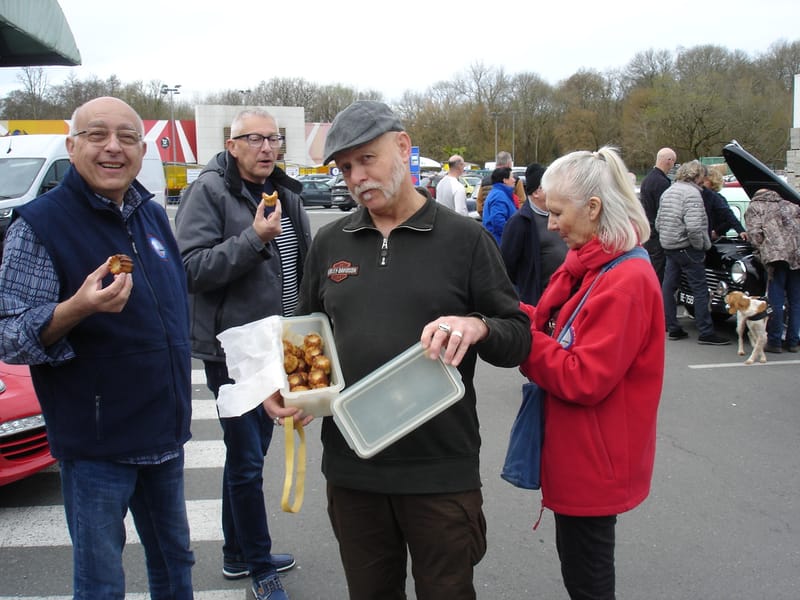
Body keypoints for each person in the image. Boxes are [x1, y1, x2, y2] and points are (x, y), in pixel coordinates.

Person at [263, 100, 531, 600]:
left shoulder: (465, 239)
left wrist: (476, 326)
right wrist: (290, 393)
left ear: (403, 147)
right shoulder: (329, 242)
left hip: (440, 471)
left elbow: (517, 336)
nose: (356, 177)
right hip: (352, 469)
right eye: (345, 168)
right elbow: (304, 337)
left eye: (367, 159)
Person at [0, 97, 194, 599]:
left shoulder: (151, 215)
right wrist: (77, 308)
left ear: (140, 148)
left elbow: (171, 311)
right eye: (97, 135)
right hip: (97, 444)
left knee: (176, 565)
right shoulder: (39, 225)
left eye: (127, 137)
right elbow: (9, 334)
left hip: (163, 431)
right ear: (72, 145)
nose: (113, 147)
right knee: (101, 579)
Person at [517, 146, 664, 600]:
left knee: (588, 579)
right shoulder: (594, 266)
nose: (551, 224)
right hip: (583, 452)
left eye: (557, 212)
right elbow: (557, 331)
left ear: (594, 208)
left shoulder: (626, 280)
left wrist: (518, 337)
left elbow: (583, 377)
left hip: (594, 460)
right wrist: (506, 315)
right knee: (581, 568)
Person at [175, 108, 306, 600]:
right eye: (254, 139)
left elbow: (299, 269)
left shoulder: (287, 192)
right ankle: (257, 566)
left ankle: (237, 552)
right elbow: (190, 268)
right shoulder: (209, 191)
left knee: (248, 456)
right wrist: (254, 239)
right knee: (248, 461)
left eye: (274, 138)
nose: (267, 148)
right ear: (232, 146)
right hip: (234, 351)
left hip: (283, 345)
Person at [656, 160, 730, 345]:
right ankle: (706, 331)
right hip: (688, 247)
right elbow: (695, 227)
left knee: (669, 286)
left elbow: (658, 222)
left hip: (669, 245)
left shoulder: (669, 191)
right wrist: (702, 246)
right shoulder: (692, 194)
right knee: (700, 289)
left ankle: (671, 326)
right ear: (697, 176)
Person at [500, 162, 567, 304]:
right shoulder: (520, 222)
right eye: (550, 187)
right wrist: (528, 287)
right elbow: (507, 266)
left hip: (565, 296)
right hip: (539, 300)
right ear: (537, 192)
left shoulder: (558, 214)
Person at [744, 188, 800, 353]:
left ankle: (774, 341)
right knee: (796, 301)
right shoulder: (791, 205)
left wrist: (761, 251)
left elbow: (754, 234)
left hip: (776, 258)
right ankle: (793, 341)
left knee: (776, 299)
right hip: (797, 255)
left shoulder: (756, 207)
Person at [639, 147, 676, 283]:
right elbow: (664, 210)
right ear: (668, 161)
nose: (673, 166)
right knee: (658, 272)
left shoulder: (647, 180)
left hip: (648, 231)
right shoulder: (663, 182)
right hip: (658, 234)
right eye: (673, 162)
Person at [701, 167, 747, 241]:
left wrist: (717, 232)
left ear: (713, 181)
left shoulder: (716, 197)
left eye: (705, 180)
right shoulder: (699, 196)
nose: (701, 182)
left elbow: (728, 216)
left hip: (714, 240)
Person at [476, 150, 525, 216]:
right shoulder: (516, 181)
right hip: (509, 221)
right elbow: (522, 202)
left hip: (487, 222)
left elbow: (479, 205)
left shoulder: (485, 181)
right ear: (509, 164)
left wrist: (486, 216)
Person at [481, 166, 518, 245]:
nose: (514, 180)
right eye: (512, 177)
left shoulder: (499, 193)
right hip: (501, 243)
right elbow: (498, 221)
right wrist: (513, 236)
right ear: (505, 180)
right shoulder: (499, 196)